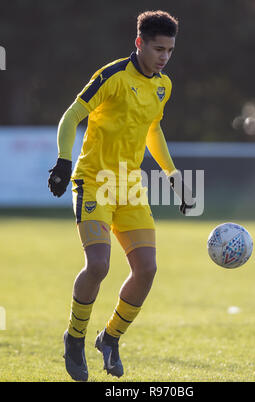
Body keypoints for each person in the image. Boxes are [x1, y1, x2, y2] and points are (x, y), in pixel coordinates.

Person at [48, 10, 194, 382]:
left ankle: (110, 338)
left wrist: (173, 176)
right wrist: (64, 162)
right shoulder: (112, 76)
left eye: (170, 50)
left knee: (147, 269)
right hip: (93, 182)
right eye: (158, 48)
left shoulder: (163, 86)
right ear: (139, 43)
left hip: (129, 188)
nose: (164, 57)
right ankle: (75, 338)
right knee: (98, 265)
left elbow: (153, 130)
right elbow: (70, 116)